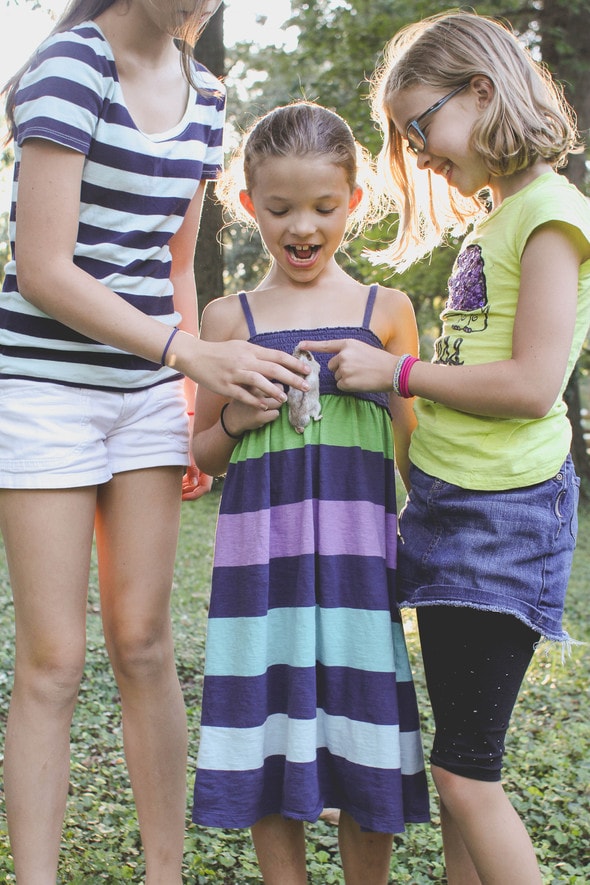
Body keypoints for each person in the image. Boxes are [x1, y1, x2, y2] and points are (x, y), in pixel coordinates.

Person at [0, 2, 310, 882]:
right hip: (44, 392)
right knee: (54, 660)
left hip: (144, 395)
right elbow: (42, 267)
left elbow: (175, 264)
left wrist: (182, 398)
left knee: (143, 644)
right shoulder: (71, 68)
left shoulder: (207, 94)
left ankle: (163, 875)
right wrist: (188, 354)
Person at [301, 10, 590, 885]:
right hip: (449, 505)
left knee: (465, 775)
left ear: (481, 91)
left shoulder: (550, 215)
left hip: (503, 515)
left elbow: (532, 383)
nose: (416, 151)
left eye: (418, 126)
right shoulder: (497, 218)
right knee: (465, 766)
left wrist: (398, 372)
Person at [190, 101, 431, 885]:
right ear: (248, 204)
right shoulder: (227, 319)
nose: (302, 226)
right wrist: (238, 414)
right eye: (281, 208)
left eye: (324, 207)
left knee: (366, 729)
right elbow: (204, 452)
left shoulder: (385, 313)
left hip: (360, 569)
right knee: (267, 729)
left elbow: (415, 453)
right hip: (262, 571)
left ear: (353, 202)